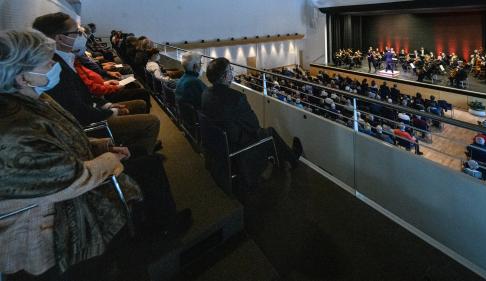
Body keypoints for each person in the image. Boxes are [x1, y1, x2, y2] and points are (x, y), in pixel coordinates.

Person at [0, 29, 190, 281]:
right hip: (57, 217)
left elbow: (62, 138)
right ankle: (159, 232)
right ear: (23, 76)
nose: (53, 65)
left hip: (73, 177)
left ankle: (154, 226)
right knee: (149, 164)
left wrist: (100, 146)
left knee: (145, 157)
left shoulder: (33, 100)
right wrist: (108, 160)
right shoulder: (14, 129)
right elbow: (70, 179)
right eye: (46, 63)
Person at [33, 12, 160, 155]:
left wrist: (107, 105)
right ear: (60, 38)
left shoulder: (65, 59)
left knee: (140, 104)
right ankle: (134, 158)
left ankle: (136, 147)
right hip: (91, 123)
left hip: (95, 107)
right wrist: (111, 111)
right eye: (76, 32)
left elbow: (84, 94)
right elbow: (79, 110)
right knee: (152, 121)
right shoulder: (54, 67)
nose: (81, 36)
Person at [201, 57, 302, 191]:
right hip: (236, 146)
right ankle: (292, 159)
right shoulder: (237, 98)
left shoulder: (205, 93)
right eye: (231, 70)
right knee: (269, 132)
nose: (233, 73)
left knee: (264, 133)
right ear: (225, 76)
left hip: (219, 145)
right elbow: (254, 125)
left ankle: (283, 158)